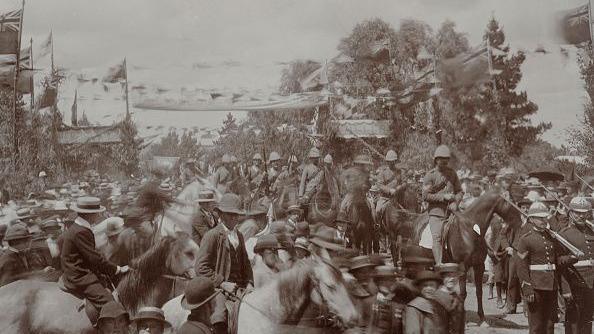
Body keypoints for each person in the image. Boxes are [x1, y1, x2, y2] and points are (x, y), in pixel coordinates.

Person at [60, 197, 129, 325]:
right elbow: (94, 258)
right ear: (90, 215)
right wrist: (117, 269)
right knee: (111, 305)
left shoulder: (79, 227)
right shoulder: (81, 231)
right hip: (79, 275)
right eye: (97, 212)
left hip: (79, 269)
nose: (99, 215)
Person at [195, 193, 253, 334]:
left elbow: (246, 264)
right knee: (219, 316)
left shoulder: (239, 235)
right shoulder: (212, 235)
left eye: (236, 214)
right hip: (219, 289)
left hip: (241, 286)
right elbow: (200, 267)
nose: (234, 218)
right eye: (230, 214)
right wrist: (222, 283)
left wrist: (250, 282)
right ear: (221, 214)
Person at [517, 201, 576, 334]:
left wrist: (571, 259)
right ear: (531, 219)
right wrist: (527, 289)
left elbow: (559, 265)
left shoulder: (552, 238)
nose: (543, 220)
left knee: (550, 326)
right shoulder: (526, 239)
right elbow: (521, 267)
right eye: (539, 218)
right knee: (536, 326)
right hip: (536, 287)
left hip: (552, 286)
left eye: (545, 217)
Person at [558, 197, 594, 334]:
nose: (581, 216)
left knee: (587, 320)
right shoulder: (564, 235)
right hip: (574, 284)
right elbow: (561, 266)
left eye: (584, 213)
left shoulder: (591, 232)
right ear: (570, 213)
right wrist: (566, 289)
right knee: (573, 322)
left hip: (591, 285)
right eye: (577, 212)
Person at [422, 145, 462, 265]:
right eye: (441, 159)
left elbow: (459, 191)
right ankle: (439, 264)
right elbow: (425, 196)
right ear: (436, 160)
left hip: (453, 211)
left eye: (446, 159)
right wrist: (443, 197)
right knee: (437, 237)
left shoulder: (452, 174)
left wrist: (456, 201)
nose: (444, 161)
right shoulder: (430, 175)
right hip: (436, 212)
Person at [339, 154, 374, 253]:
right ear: (357, 164)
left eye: (363, 164)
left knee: (371, 206)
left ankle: (374, 225)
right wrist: (354, 187)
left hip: (363, 196)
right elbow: (346, 184)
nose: (362, 166)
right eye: (360, 164)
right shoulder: (351, 173)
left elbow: (369, 185)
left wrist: (366, 186)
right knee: (343, 206)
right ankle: (342, 228)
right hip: (351, 195)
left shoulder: (366, 174)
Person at [367, 265, 406, 334]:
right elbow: (362, 326)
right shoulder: (368, 302)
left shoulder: (400, 304)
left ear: (394, 282)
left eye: (389, 280)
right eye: (382, 280)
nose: (385, 283)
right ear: (377, 282)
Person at [435, 263, 465, 334]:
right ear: (442, 278)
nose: (452, 279)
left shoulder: (459, 299)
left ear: (458, 278)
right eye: (448, 276)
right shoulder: (436, 297)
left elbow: (461, 324)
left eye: (454, 276)